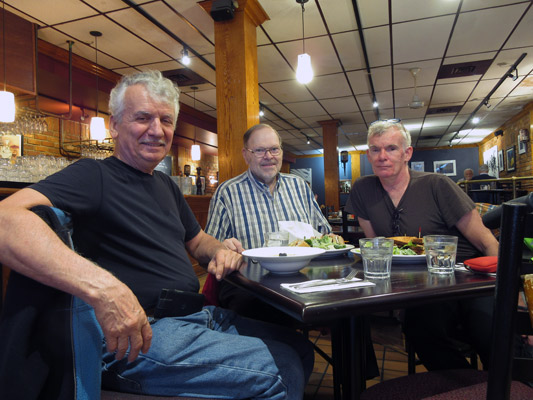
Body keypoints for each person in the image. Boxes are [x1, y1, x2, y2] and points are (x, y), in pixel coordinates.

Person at [0, 71, 314, 399]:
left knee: (300, 348)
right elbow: (5, 219)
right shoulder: (93, 175)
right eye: (142, 118)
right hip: (142, 331)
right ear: (114, 125)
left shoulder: (165, 184)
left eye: (166, 120)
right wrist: (104, 289)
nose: (156, 129)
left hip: (196, 316)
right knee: (281, 369)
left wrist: (219, 249)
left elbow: (198, 240)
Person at [345, 119, 499, 371]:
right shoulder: (363, 189)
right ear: (368, 155)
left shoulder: (437, 184)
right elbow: (375, 248)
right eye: (375, 149)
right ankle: (468, 385)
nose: (382, 156)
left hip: (467, 278)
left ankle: (512, 385)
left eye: (391, 148)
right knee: (420, 329)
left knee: (489, 329)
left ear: (407, 153)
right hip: (422, 289)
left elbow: (486, 242)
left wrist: (511, 295)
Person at [204, 123, 331, 319]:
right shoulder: (227, 193)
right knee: (267, 315)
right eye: (260, 150)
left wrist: (327, 239)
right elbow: (209, 250)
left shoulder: (299, 186)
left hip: (302, 280)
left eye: (274, 149)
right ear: (246, 155)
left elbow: (324, 234)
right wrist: (222, 248)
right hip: (250, 286)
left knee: (345, 308)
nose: (269, 156)